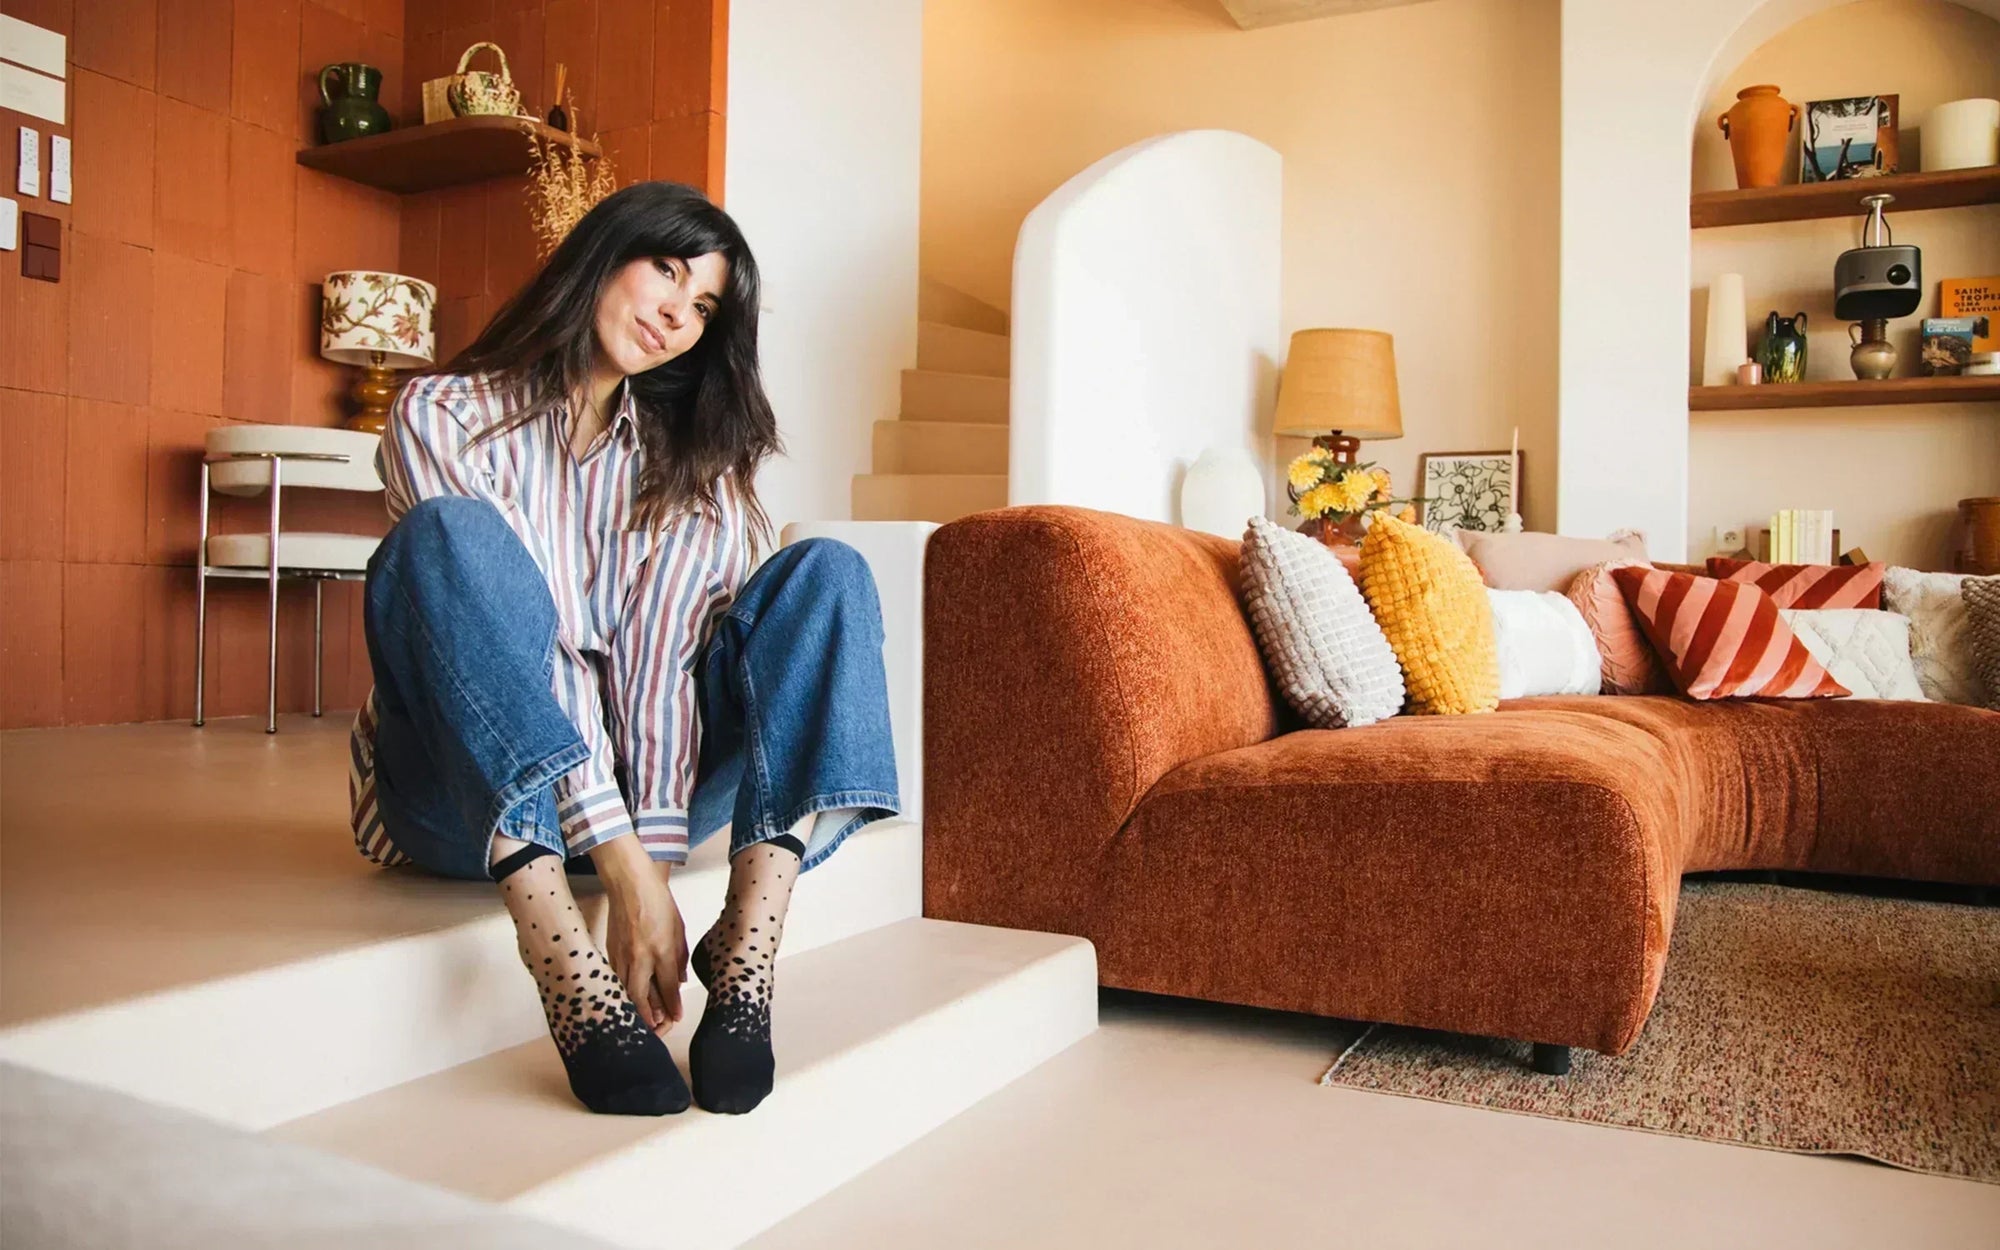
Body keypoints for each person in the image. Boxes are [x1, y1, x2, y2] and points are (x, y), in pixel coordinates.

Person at [347, 181, 901, 1118]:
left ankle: (750, 949)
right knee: (449, 540)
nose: (677, 313)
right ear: (602, 255)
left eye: (703, 307)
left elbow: (658, 667)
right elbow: (530, 651)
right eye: (667, 271)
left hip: (652, 788)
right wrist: (625, 872)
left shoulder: (687, 457)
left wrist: (650, 846)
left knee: (829, 572)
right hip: (461, 796)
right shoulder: (442, 412)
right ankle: (557, 956)